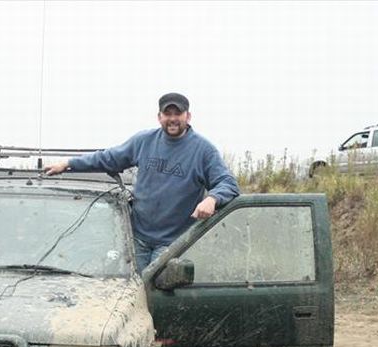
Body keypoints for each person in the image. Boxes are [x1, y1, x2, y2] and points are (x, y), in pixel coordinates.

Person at [45, 92, 240, 273]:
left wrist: (212, 199)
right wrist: (69, 164)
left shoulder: (203, 150)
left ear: (188, 117)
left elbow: (228, 184)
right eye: (167, 114)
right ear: (159, 117)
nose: (172, 119)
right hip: (136, 238)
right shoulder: (144, 141)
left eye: (178, 114)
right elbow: (109, 158)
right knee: (130, 289)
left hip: (173, 244)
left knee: (154, 291)